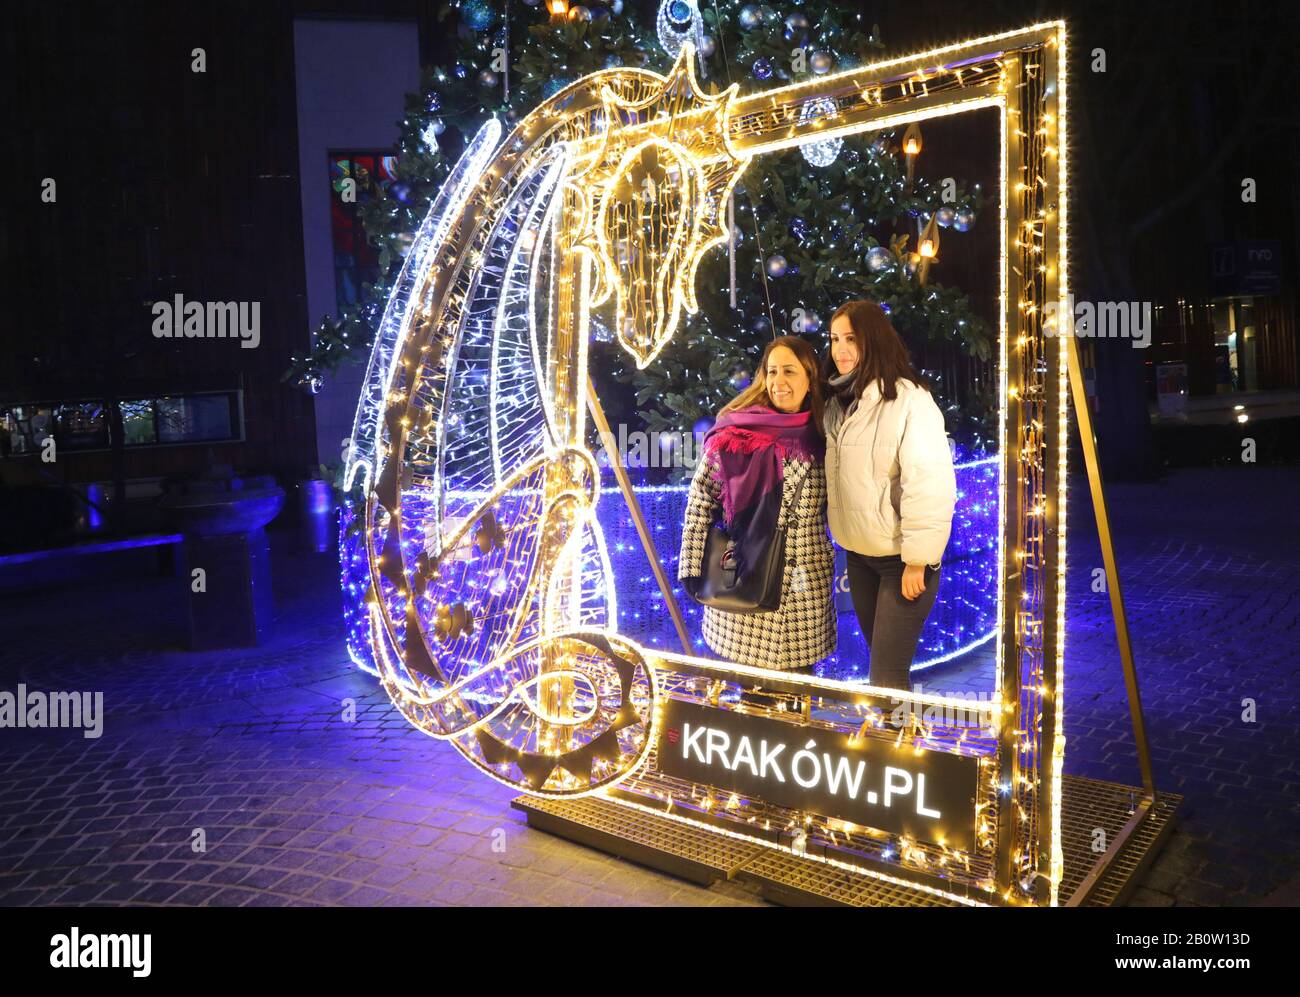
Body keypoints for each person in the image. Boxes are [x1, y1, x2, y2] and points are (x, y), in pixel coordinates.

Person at [678, 336, 836, 671]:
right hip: (742, 584)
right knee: (750, 704)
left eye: (790, 372)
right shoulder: (735, 433)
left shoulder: (826, 435)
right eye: (772, 371)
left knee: (798, 703)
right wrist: (692, 568)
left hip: (803, 593)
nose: (779, 382)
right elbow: (701, 500)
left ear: (809, 379)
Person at [823, 300, 957, 690]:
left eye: (851, 338)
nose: (840, 349)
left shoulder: (910, 401)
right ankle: (899, 741)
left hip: (903, 562)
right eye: (834, 339)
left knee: (885, 676)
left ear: (873, 340)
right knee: (886, 669)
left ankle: (901, 747)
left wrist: (918, 559)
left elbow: (929, 482)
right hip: (860, 556)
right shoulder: (839, 403)